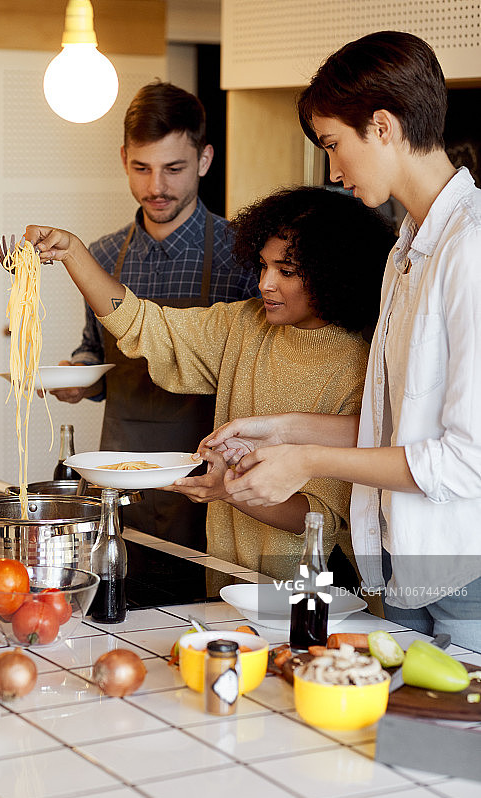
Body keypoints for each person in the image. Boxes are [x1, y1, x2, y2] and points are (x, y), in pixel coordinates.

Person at [204, 31, 481, 650]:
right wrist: (280, 430)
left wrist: (308, 460)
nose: (333, 169)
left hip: (465, 572)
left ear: (382, 127)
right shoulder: (407, 248)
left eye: (334, 145)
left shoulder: (471, 250)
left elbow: (467, 460)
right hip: (406, 565)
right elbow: (399, 427)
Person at [25, 185, 394, 580]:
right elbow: (144, 325)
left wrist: (227, 489)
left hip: (306, 596)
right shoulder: (244, 324)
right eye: (263, 265)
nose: (264, 284)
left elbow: (322, 520)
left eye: (286, 272)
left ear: (332, 274)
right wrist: (73, 253)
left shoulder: (358, 368)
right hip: (225, 578)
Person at [48, 81, 259, 549]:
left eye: (174, 169)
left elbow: (259, 375)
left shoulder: (244, 255)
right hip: (118, 478)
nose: (156, 187)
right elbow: (94, 347)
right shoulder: (98, 257)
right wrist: (79, 375)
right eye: (141, 168)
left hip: (207, 480)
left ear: (204, 160)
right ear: (124, 158)